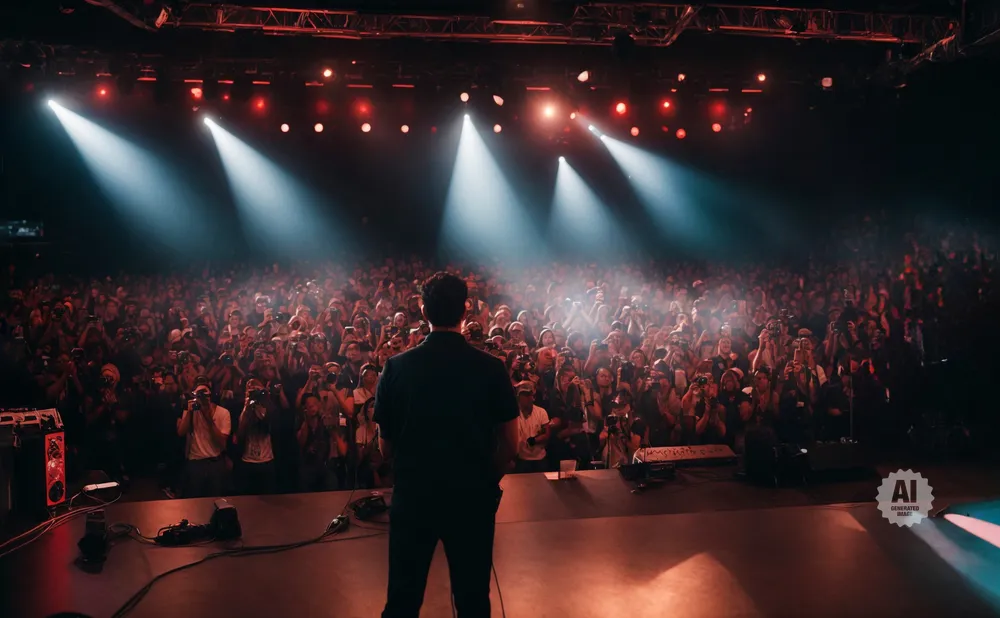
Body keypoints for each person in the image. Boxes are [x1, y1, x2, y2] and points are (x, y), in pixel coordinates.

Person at [374, 272, 518, 618]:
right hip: (471, 500)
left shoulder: (396, 367)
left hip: (414, 498)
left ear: (423, 311)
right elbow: (510, 445)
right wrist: (485, 480)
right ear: (465, 311)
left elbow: (385, 449)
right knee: (472, 600)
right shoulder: (491, 368)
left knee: (402, 601)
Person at [177, 383, 231, 497]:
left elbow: (222, 443)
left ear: (210, 396)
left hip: (215, 462)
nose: (202, 399)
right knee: (194, 500)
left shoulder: (223, 412)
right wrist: (190, 412)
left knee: (215, 498)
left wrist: (209, 418)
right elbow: (181, 432)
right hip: (195, 461)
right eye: (199, 395)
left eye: (204, 395)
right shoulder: (191, 409)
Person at [513, 380, 550, 473]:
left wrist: (534, 440)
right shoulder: (514, 415)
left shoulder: (541, 412)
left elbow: (547, 434)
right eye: (524, 395)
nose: (528, 398)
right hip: (521, 460)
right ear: (518, 397)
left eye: (530, 395)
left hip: (539, 459)